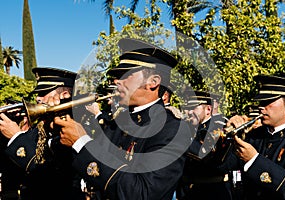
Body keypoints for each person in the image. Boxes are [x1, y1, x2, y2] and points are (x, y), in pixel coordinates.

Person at [53, 38, 191, 200]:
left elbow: (142, 193)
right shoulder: (117, 122)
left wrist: (82, 143)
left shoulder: (171, 129)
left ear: (153, 82)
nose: (117, 81)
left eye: (125, 75)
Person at [0, 67, 86, 200]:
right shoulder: (40, 127)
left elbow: (47, 175)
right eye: (38, 93)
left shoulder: (73, 128)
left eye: (44, 92)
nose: (37, 98)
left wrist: (16, 137)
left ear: (64, 95)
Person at [223, 75, 285, 199]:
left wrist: (254, 160)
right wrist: (227, 134)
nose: (260, 107)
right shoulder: (255, 136)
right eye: (260, 102)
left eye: (267, 102)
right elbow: (222, 166)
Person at [177, 90, 232, 200]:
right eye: (187, 108)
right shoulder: (188, 127)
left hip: (210, 191)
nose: (189, 112)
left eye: (194, 108)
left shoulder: (217, 128)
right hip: (187, 190)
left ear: (208, 110)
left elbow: (206, 155)